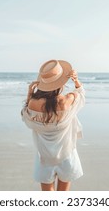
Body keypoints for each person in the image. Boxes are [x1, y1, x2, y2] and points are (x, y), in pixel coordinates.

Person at [21, 59, 85, 191]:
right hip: (67, 154)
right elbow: (81, 94)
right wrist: (76, 80)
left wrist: (29, 94)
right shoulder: (66, 101)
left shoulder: (33, 103)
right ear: (61, 81)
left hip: (44, 158)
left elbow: (25, 116)